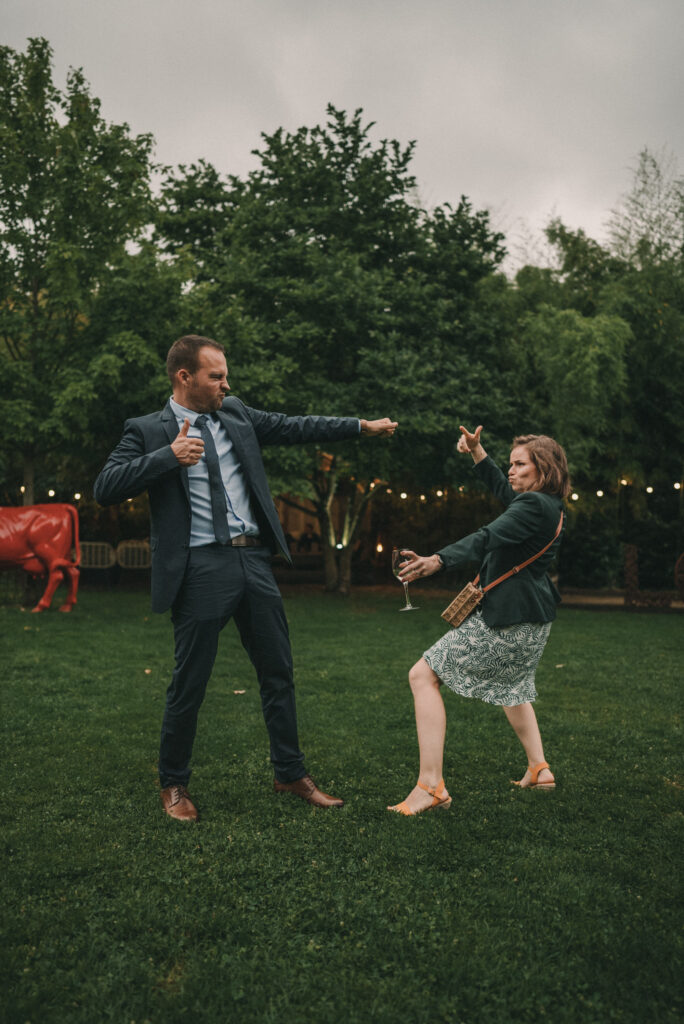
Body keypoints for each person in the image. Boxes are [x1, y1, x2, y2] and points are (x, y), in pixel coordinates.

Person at [94, 334, 397, 821]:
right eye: (216, 376)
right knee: (189, 681)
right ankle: (173, 785)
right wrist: (168, 455)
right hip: (199, 568)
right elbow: (105, 487)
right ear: (184, 377)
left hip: (253, 561)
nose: (226, 384)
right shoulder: (147, 430)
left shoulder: (235, 413)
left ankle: (290, 773)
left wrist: (362, 426)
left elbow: (297, 425)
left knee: (278, 671)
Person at [388, 424, 569, 816]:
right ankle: (540, 770)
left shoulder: (534, 506)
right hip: (533, 620)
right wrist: (477, 452)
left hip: (510, 620)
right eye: (510, 464)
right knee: (513, 685)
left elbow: (487, 536)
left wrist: (438, 559)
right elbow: (506, 497)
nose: (511, 470)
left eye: (520, 464)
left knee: (423, 675)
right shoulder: (547, 505)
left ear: (543, 469)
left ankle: (430, 786)